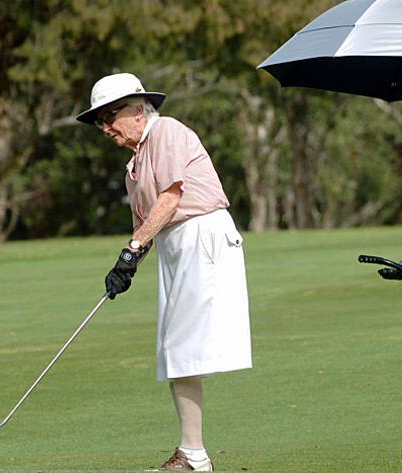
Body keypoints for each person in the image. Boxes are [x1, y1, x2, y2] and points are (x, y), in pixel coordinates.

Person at [77, 72, 252, 472]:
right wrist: (127, 263)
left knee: (180, 346)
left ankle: (193, 456)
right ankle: (192, 453)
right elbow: (148, 222)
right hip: (175, 245)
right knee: (173, 348)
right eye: (99, 122)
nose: (105, 128)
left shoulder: (167, 131)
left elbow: (172, 198)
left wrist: (132, 249)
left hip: (201, 234)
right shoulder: (133, 167)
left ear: (138, 111)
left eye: (110, 116)